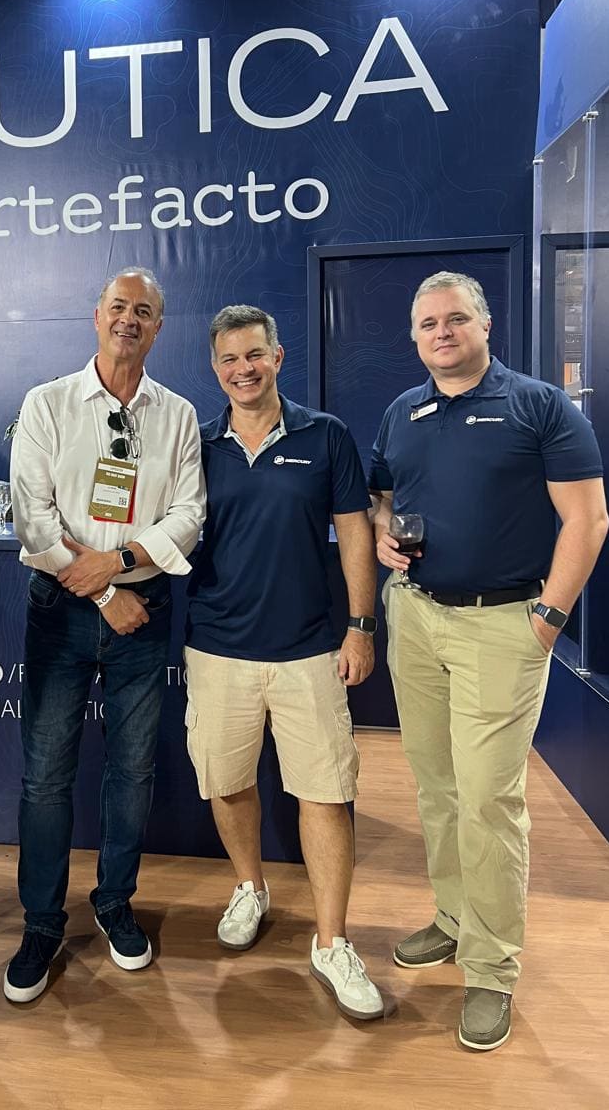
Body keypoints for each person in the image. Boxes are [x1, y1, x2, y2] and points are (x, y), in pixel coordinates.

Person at [369, 270, 608, 1052]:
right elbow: (382, 494)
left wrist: (547, 620)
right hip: (417, 618)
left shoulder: (539, 406)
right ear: (414, 337)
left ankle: (492, 967)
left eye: (456, 319)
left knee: (488, 800)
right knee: (437, 787)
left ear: (485, 324)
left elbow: (589, 519)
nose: (442, 333)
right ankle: (453, 916)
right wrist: (382, 533)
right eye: (428, 324)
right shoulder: (402, 411)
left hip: (504, 625)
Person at [5, 266, 204, 1003]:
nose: (129, 319)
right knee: (45, 775)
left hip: (142, 615)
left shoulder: (178, 414)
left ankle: (115, 904)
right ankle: (41, 923)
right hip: (62, 610)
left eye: (143, 311)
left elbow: (189, 513)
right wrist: (103, 591)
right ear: (97, 316)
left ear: (158, 327)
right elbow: (32, 518)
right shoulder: (48, 403)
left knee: (133, 772)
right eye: (118, 306)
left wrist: (118, 570)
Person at [184, 304, 384, 1021]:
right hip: (216, 647)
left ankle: (332, 942)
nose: (243, 369)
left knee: (325, 794)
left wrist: (361, 627)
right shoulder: (195, 443)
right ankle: (250, 887)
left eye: (255, 355)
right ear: (216, 368)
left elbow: (355, 533)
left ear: (278, 357)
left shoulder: (325, 435)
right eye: (230, 359)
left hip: (310, 649)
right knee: (227, 781)